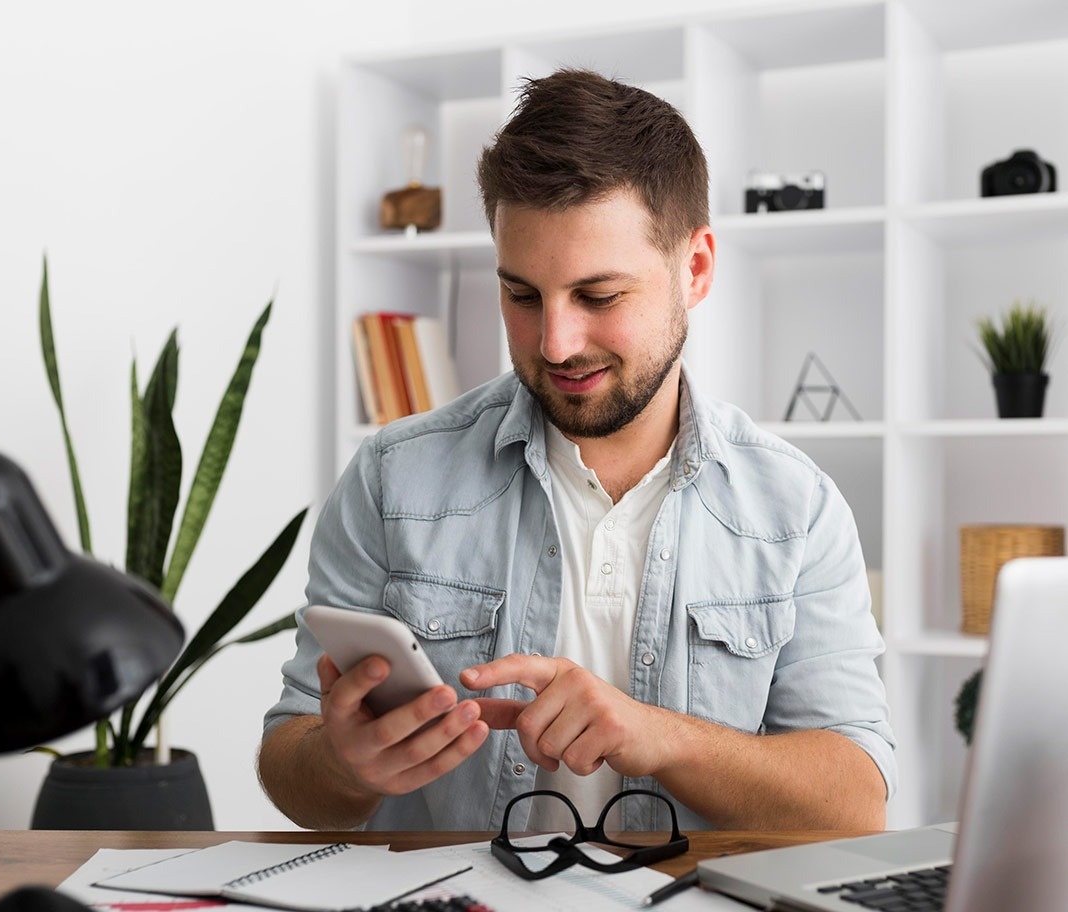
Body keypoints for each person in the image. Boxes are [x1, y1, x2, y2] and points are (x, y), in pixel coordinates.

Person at [258, 68, 895, 833]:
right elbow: (290, 762)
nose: (555, 343)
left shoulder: (796, 509)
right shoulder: (394, 479)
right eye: (522, 296)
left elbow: (856, 804)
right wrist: (341, 762)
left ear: (694, 269)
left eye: (599, 296)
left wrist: (659, 737)